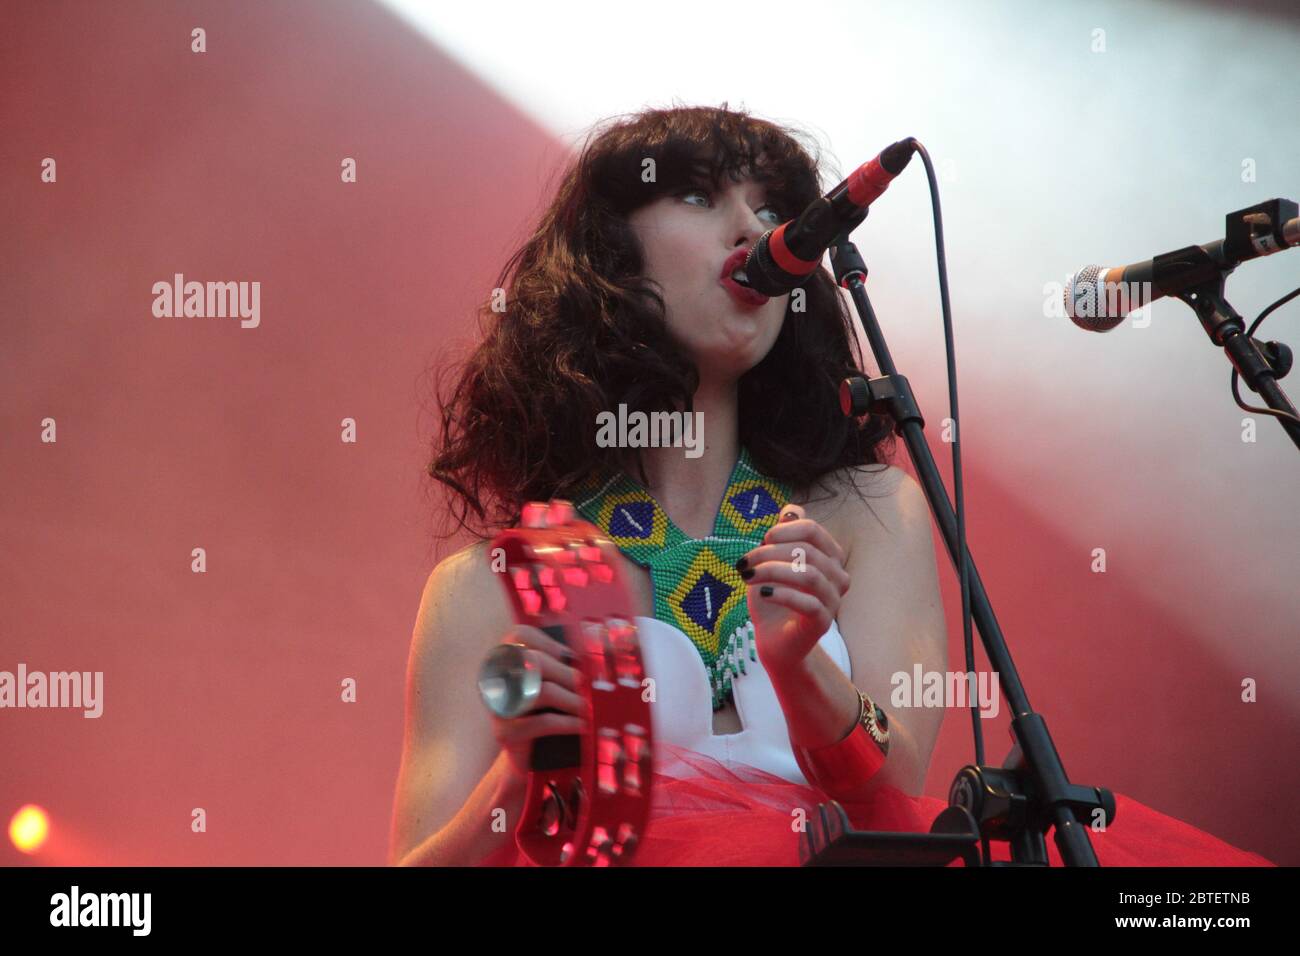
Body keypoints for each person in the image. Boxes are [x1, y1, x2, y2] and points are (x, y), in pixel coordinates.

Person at [388, 104, 1273, 868]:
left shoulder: (869, 509)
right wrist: (521, 776)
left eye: (771, 207)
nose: (753, 229)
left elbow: (894, 792)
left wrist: (798, 660)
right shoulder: (492, 582)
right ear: (611, 256)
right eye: (700, 195)